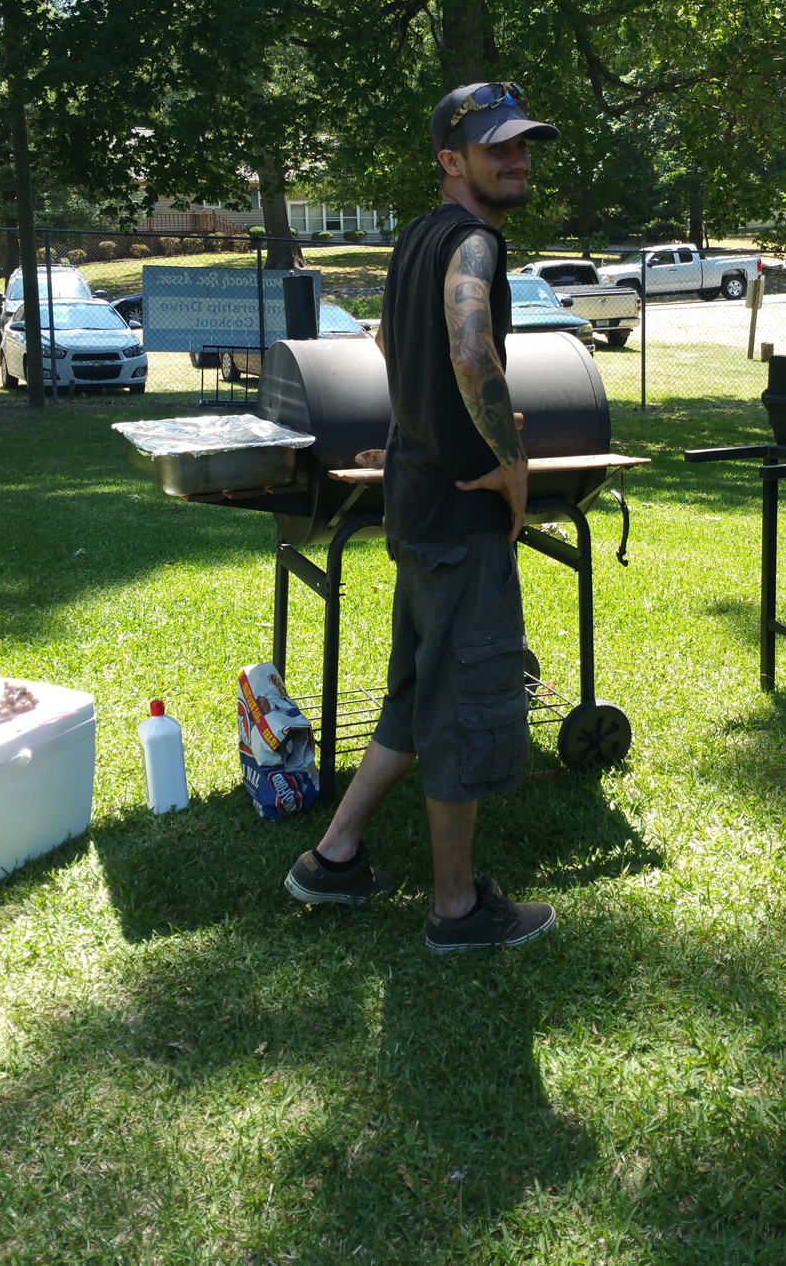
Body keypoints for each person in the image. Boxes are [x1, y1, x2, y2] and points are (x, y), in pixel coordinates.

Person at [285, 81, 560, 953]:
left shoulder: (415, 238)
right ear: (453, 161)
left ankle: (333, 855)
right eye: (496, 147)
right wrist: (509, 463)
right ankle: (454, 910)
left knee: (413, 694)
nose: (515, 158)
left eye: (522, 145)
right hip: (461, 515)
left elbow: (381, 338)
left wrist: (415, 423)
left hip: (415, 504)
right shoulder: (473, 242)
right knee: (465, 703)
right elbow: (470, 344)